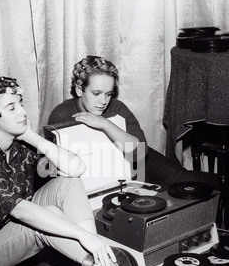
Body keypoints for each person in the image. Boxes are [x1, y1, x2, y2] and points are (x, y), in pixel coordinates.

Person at [0, 76, 197, 266]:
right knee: (46, 221)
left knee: (67, 181)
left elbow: (75, 168)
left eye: (20, 104)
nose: (23, 112)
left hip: (10, 223)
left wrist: (32, 137)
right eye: (11, 108)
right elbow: (21, 211)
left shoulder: (18, 144)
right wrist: (83, 236)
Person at [48, 55, 218, 190]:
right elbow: (54, 171)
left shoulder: (117, 108)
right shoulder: (62, 114)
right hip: (98, 173)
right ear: (79, 90)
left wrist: (105, 124)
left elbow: (138, 154)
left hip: (136, 161)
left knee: (186, 181)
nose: (103, 101)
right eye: (96, 93)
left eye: (108, 94)